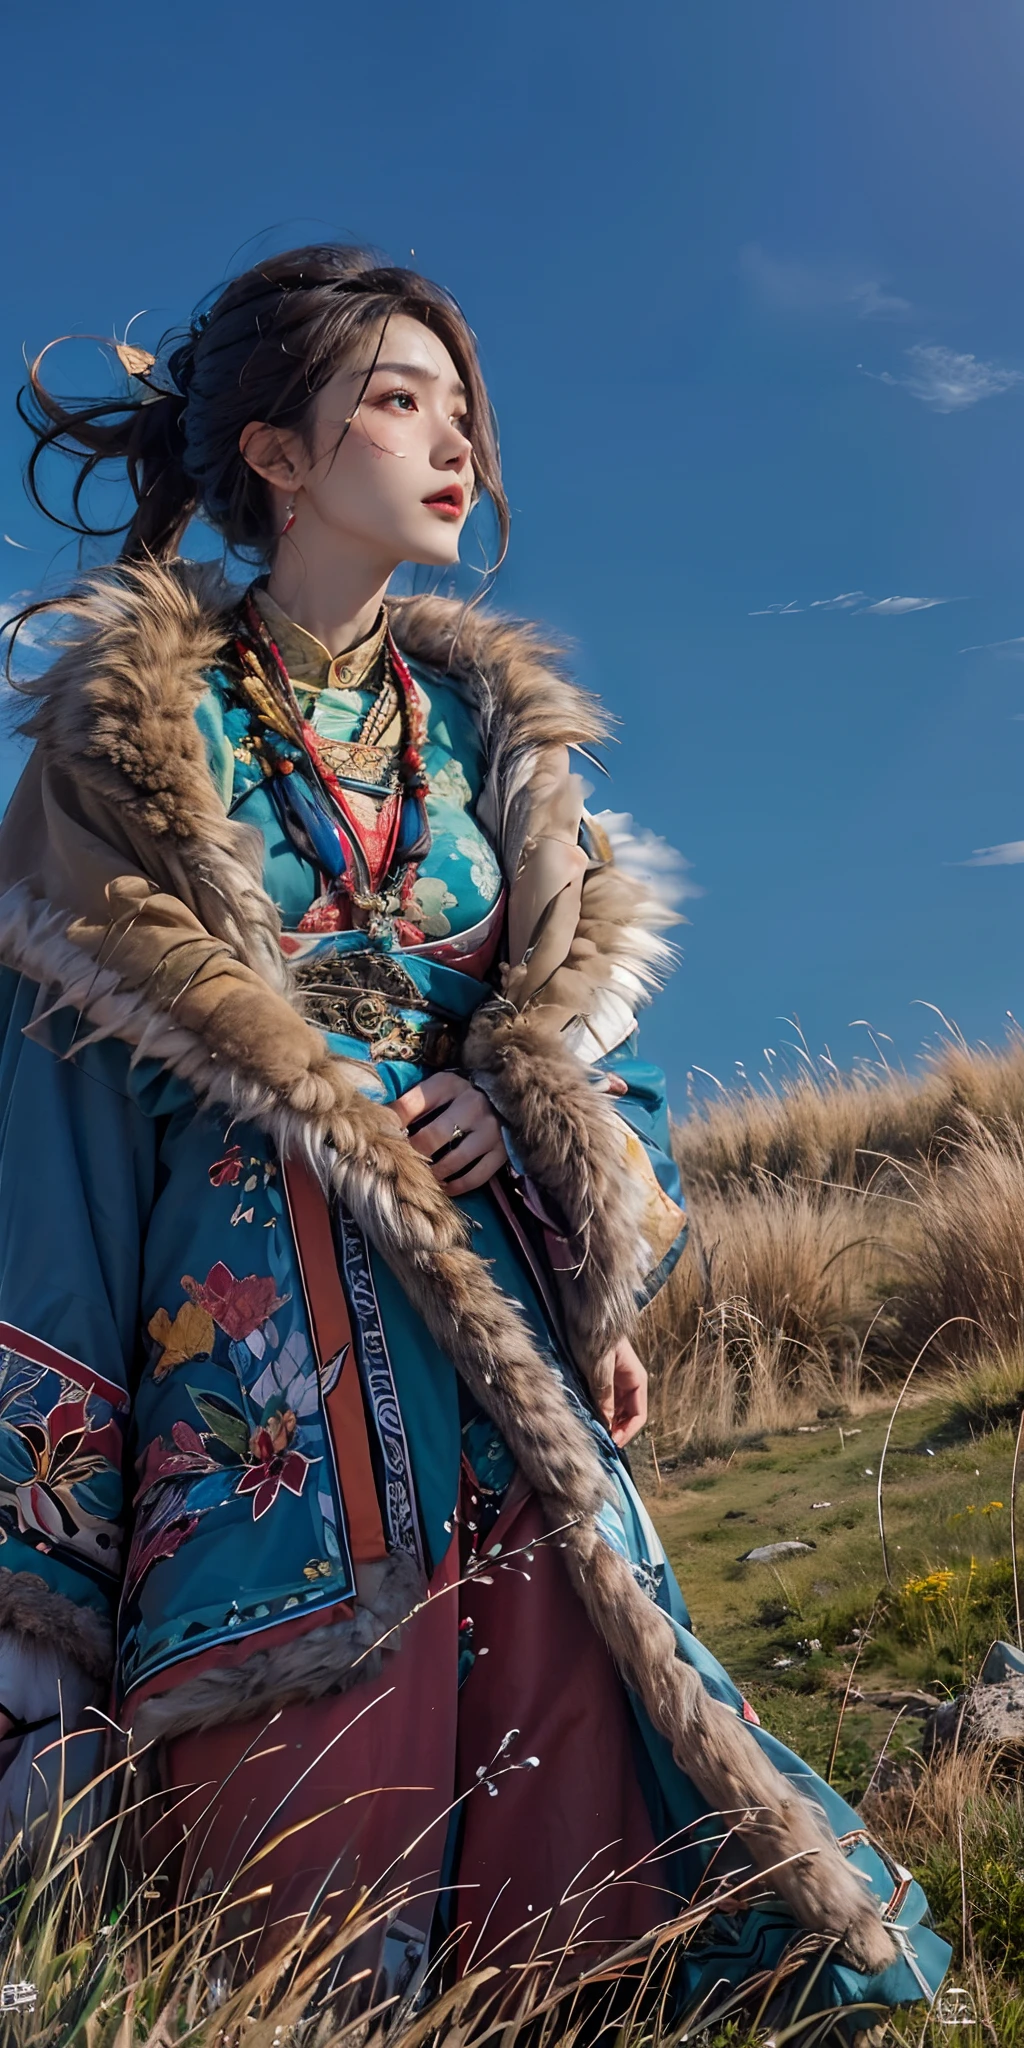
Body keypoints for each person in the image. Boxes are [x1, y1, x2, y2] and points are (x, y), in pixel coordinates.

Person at [0, 245, 946, 2034]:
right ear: (273, 453)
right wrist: (45, 1512)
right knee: (292, 1895)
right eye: (397, 398)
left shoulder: (495, 754)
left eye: (462, 408)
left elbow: (596, 1063)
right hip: (257, 1396)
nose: (455, 447)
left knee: (576, 1866)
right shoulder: (131, 745)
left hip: (506, 1372)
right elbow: (53, 1110)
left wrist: (553, 1166)